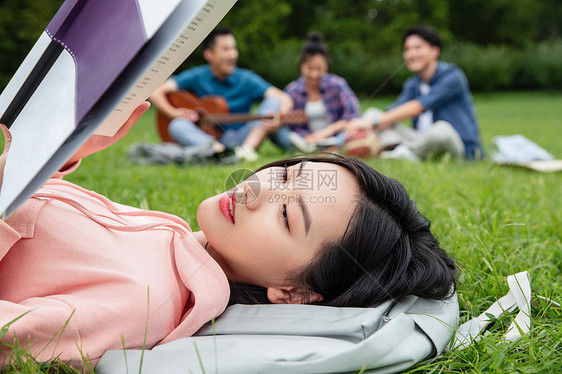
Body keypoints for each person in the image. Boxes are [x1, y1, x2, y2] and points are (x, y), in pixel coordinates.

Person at [0, 104, 457, 369]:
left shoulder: (142, 301)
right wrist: (51, 157)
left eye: (285, 214)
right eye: (285, 173)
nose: (257, 186)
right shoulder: (177, 245)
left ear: (294, 293)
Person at [149, 27, 293, 162]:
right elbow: (155, 91)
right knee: (177, 125)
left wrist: (280, 117)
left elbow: (283, 98)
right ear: (209, 54)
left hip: (241, 137)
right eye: (225, 49)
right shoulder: (197, 76)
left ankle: (246, 151)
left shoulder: (246, 78)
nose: (232, 54)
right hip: (208, 138)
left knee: (273, 102)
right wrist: (173, 113)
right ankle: (221, 151)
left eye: (234, 48)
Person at [344, 25, 484, 161]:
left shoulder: (453, 76)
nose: (411, 54)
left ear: (434, 51)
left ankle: (403, 153)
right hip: (421, 140)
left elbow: (418, 106)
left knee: (441, 130)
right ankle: (405, 153)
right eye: (407, 49)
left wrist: (372, 123)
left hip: (457, 147)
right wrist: (361, 125)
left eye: (418, 47)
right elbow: (392, 113)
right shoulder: (412, 84)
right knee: (373, 113)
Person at [242, 32, 362, 154]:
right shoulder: (292, 90)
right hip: (304, 140)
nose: (314, 74)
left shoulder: (337, 84)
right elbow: (291, 126)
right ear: (301, 65)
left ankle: (328, 148)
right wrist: (282, 123)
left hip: (336, 136)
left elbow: (353, 116)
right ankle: (320, 150)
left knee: (354, 130)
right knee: (278, 133)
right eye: (309, 68)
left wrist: (324, 133)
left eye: (319, 69)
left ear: (327, 67)